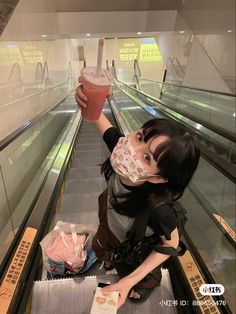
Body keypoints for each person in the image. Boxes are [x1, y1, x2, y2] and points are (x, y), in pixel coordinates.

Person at [75, 85, 200, 308]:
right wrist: (89, 100)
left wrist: (129, 281)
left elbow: (171, 243)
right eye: (141, 136)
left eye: (147, 158)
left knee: (132, 270)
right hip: (110, 224)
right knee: (109, 251)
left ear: (160, 178)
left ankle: (144, 284)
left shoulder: (159, 208)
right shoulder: (123, 150)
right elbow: (99, 120)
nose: (132, 148)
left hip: (134, 243)